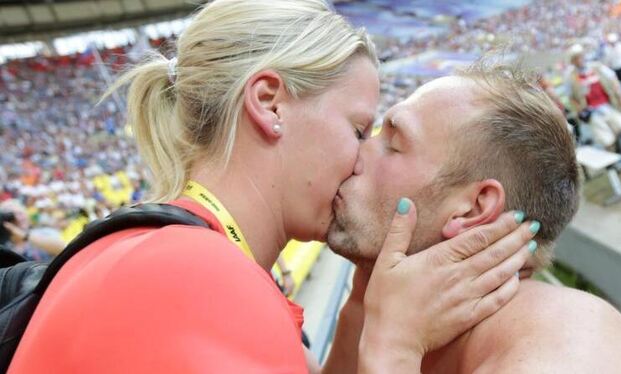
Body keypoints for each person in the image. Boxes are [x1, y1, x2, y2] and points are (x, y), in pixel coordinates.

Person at [9, 1, 534, 373]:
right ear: (269, 103)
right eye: (357, 129)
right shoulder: (199, 281)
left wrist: (361, 309)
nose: (361, 159)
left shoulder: (175, 253)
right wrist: (395, 348)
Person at [327, 60, 621, 373]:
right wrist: (366, 300)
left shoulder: (565, 353)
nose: (357, 151)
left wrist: (390, 352)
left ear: (473, 208)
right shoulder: (408, 323)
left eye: (393, 143)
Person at [566, 44, 621, 151]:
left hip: (607, 105)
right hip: (591, 111)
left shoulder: (596, 67)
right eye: (576, 58)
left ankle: (620, 145)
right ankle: (613, 155)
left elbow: (613, 78)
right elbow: (570, 98)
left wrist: (620, 94)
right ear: (572, 61)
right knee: (607, 140)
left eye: (581, 56)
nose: (580, 60)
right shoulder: (571, 77)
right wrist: (580, 109)